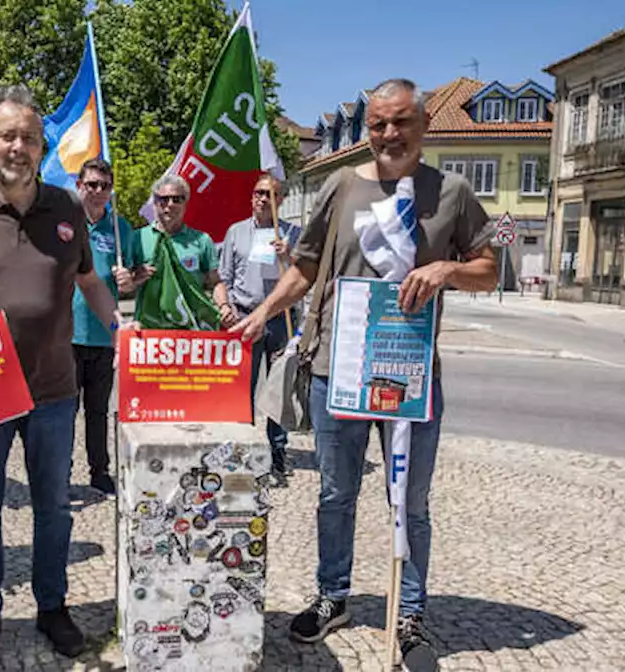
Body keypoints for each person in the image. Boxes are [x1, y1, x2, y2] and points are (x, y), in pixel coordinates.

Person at [230, 78, 498, 665]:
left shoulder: (450, 192)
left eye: (401, 122)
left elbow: (489, 268)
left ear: (424, 126)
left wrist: (447, 270)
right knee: (334, 494)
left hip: (410, 373)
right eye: (378, 123)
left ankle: (411, 614)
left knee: (411, 501)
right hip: (338, 368)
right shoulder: (339, 186)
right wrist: (263, 315)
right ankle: (334, 596)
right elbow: (303, 267)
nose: (388, 134)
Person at [0, 84, 128, 668]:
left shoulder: (65, 208)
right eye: (8, 135)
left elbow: (89, 280)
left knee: (54, 508)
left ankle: (52, 606)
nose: (19, 146)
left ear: (43, 148)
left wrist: (122, 331)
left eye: (30, 138)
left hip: (53, 390)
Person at [218, 173, 301, 488]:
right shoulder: (236, 232)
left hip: (281, 319)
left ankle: (277, 455)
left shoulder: (294, 233)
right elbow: (223, 275)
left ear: (281, 201)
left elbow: (306, 275)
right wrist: (226, 309)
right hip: (245, 316)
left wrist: (289, 257)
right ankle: (242, 451)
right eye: (258, 193)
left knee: (278, 390)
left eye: (270, 194)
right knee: (242, 389)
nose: (263, 199)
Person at [71, 158, 143, 495]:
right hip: (67, 333)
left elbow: (129, 285)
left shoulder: (121, 228)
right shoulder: (66, 225)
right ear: (79, 186)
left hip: (103, 333)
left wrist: (128, 281)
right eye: (92, 185)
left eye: (104, 186)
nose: (98, 191)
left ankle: (99, 471)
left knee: (98, 410)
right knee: (64, 412)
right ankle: (60, 473)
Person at [138, 174, 232, 326]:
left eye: (177, 199)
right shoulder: (137, 238)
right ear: (154, 202)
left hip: (190, 330)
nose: (170, 204)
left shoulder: (202, 240)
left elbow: (215, 282)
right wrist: (135, 277)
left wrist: (224, 306)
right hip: (149, 330)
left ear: (185, 203)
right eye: (163, 199)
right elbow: (124, 284)